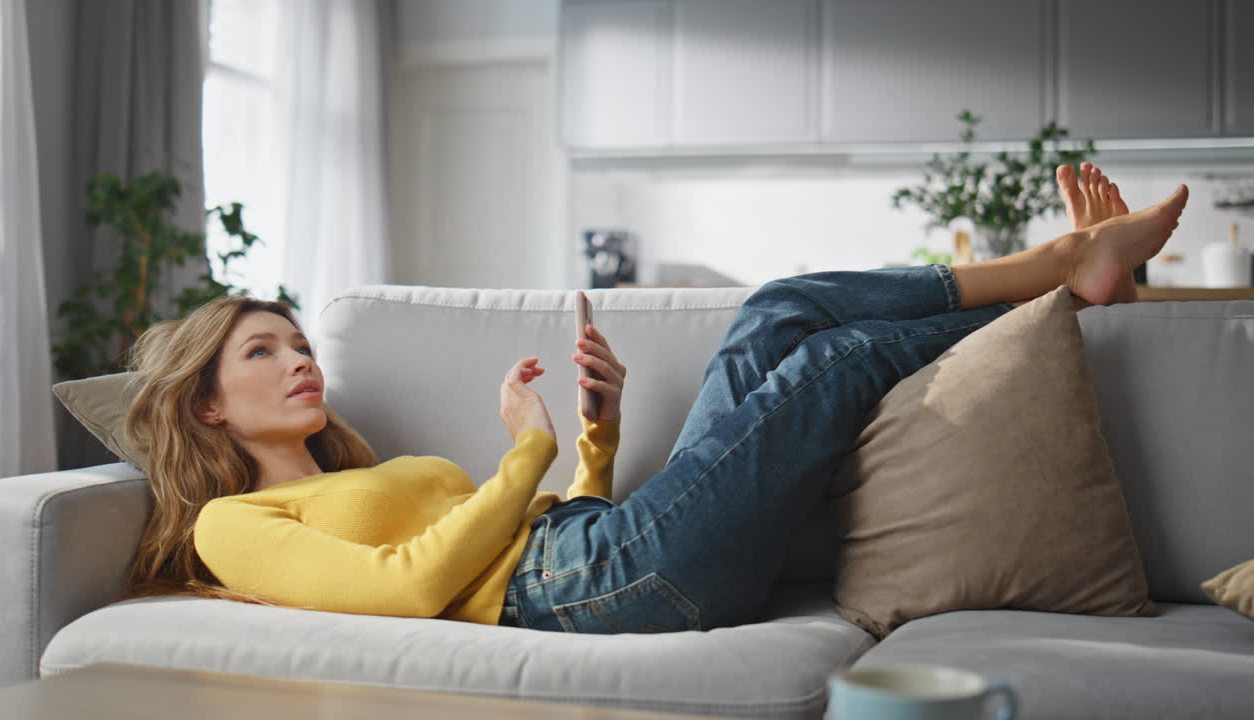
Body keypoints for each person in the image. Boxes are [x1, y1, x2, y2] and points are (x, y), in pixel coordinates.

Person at [119, 164, 1189, 634]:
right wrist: (520, 457)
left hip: (598, 547)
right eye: (263, 351)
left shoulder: (354, 474)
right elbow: (411, 591)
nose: (300, 359)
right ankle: (1075, 290)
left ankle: (1058, 270)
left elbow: (547, 528)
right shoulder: (231, 524)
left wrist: (596, 435)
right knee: (825, 366)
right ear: (207, 405)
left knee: (774, 316)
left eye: (301, 342)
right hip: (587, 590)